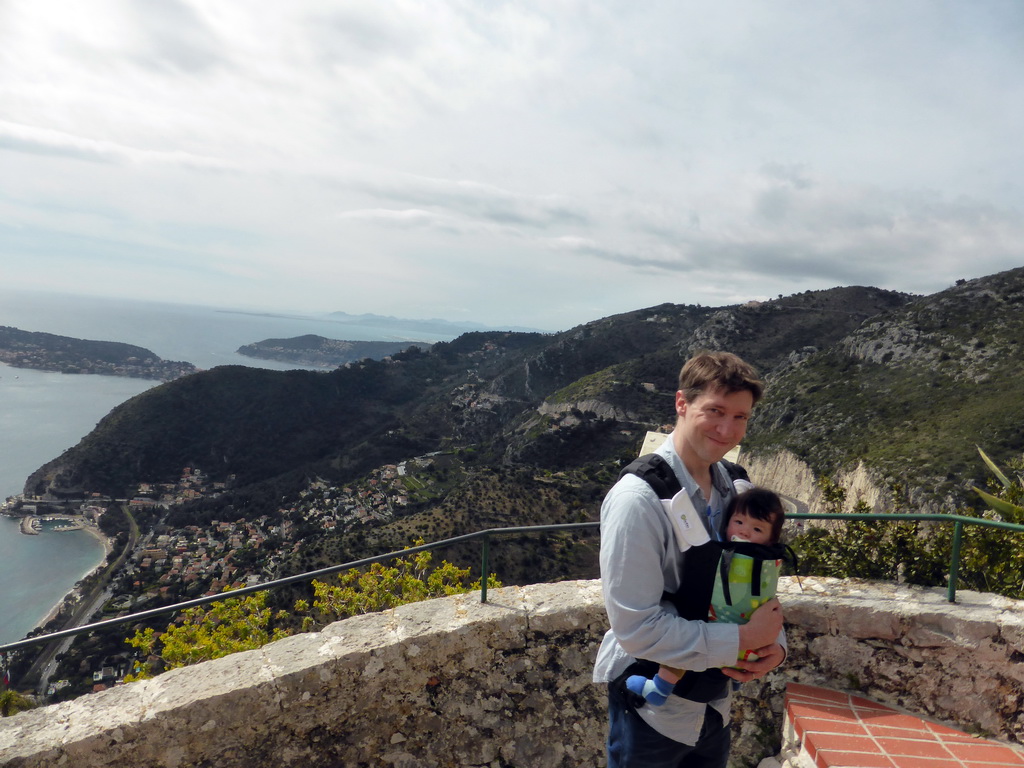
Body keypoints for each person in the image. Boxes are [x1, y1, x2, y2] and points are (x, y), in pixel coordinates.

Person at [593, 350, 786, 768]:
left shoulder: (735, 487)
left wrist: (775, 645)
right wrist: (741, 641)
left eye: (740, 417)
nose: (726, 429)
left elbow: (757, 580)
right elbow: (637, 628)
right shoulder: (637, 501)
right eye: (714, 411)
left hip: (713, 705)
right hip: (651, 713)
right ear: (682, 403)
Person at [625, 487, 786, 706]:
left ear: (771, 539)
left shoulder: (729, 484)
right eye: (738, 523)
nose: (744, 532)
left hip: (715, 637)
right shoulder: (767, 565)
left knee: (688, 622)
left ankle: (660, 688)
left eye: (757, 528)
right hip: (733, 649)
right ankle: (726, 678)